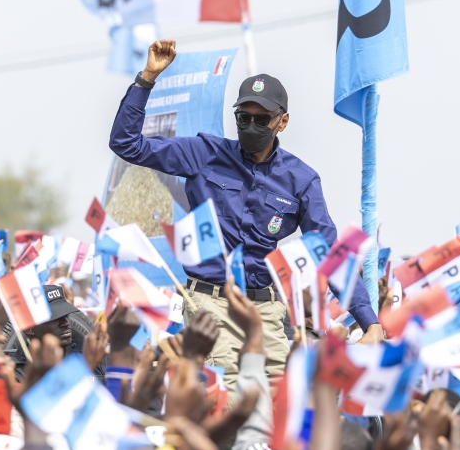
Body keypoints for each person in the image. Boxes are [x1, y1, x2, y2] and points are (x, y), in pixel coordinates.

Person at [108, 40, 383, 385]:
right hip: (209, 306)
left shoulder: (301, 180)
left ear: (282, 122)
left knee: (279, 403)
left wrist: (369, 321)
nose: (251, 125)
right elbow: (126, 144)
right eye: (244, 117)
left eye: (261, 119)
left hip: (266, 313)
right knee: (231, 397)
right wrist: (147, 78)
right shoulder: (204, 153)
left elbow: (330, 253)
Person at [1, 283, 104, 382]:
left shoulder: (85, 356)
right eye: (55, 318)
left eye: (66, 314)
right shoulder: (12, 370)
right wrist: (86, 368)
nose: (66, 323)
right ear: (28, 328)